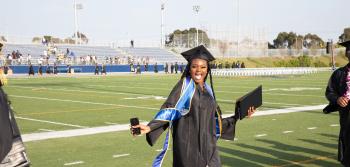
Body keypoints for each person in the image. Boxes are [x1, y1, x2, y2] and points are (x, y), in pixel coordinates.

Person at [131, 45, 255, 167]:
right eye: (194, 66)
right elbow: (169, 109)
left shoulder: (208, 90)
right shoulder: (185, 87)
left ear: (207, 70)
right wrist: (150, 127)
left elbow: (215, 122)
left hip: (210, 151)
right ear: (189, 68)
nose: (198, 70)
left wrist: (239, 113)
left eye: (203, 67)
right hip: (189, 150)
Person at [324, 39, 350, 167]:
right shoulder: (339, 74)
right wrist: (337, 99)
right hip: (347, 120)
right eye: (348, 50)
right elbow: (329, 92)